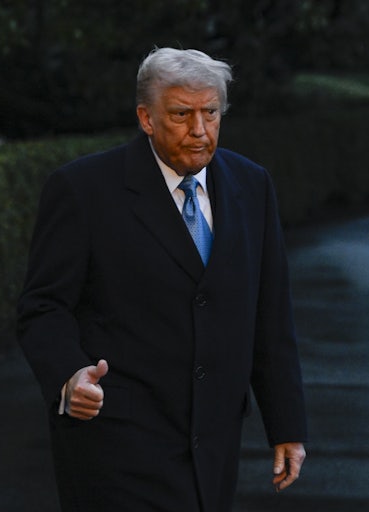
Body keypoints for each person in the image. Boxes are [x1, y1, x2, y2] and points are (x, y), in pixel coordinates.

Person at [16, 47, 307, 512]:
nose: (199, 129)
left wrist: (287, 426)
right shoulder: (83, 190)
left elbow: (271, 317)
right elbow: (42, 307)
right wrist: (69, 377)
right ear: (146, 118)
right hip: (116, 444)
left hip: (213, 444)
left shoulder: (252, 186)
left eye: (211, 112)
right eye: (180, 114)